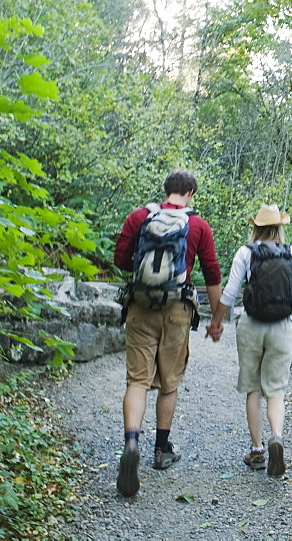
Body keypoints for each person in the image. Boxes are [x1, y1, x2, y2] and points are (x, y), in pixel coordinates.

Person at [112, 169, 222, 497]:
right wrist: (217, 319)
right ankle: (162, 450)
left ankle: (132, 443)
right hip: (177, 308)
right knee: (169, 383)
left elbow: (120, 259)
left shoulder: (139, 216)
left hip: (141, 306)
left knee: (137, 381)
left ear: (166, 190)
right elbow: (212, 272)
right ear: (190, 192)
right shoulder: (198, 225)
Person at [207, 204, 292, 477]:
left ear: (256, 226)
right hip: (282, 327)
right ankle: (276, 436)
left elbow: (229, 294)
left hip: (252, 325)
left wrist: (216, 321)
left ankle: (257, 451)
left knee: (253, 388)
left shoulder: (246, 252)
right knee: (275, 390)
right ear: (279, 226)